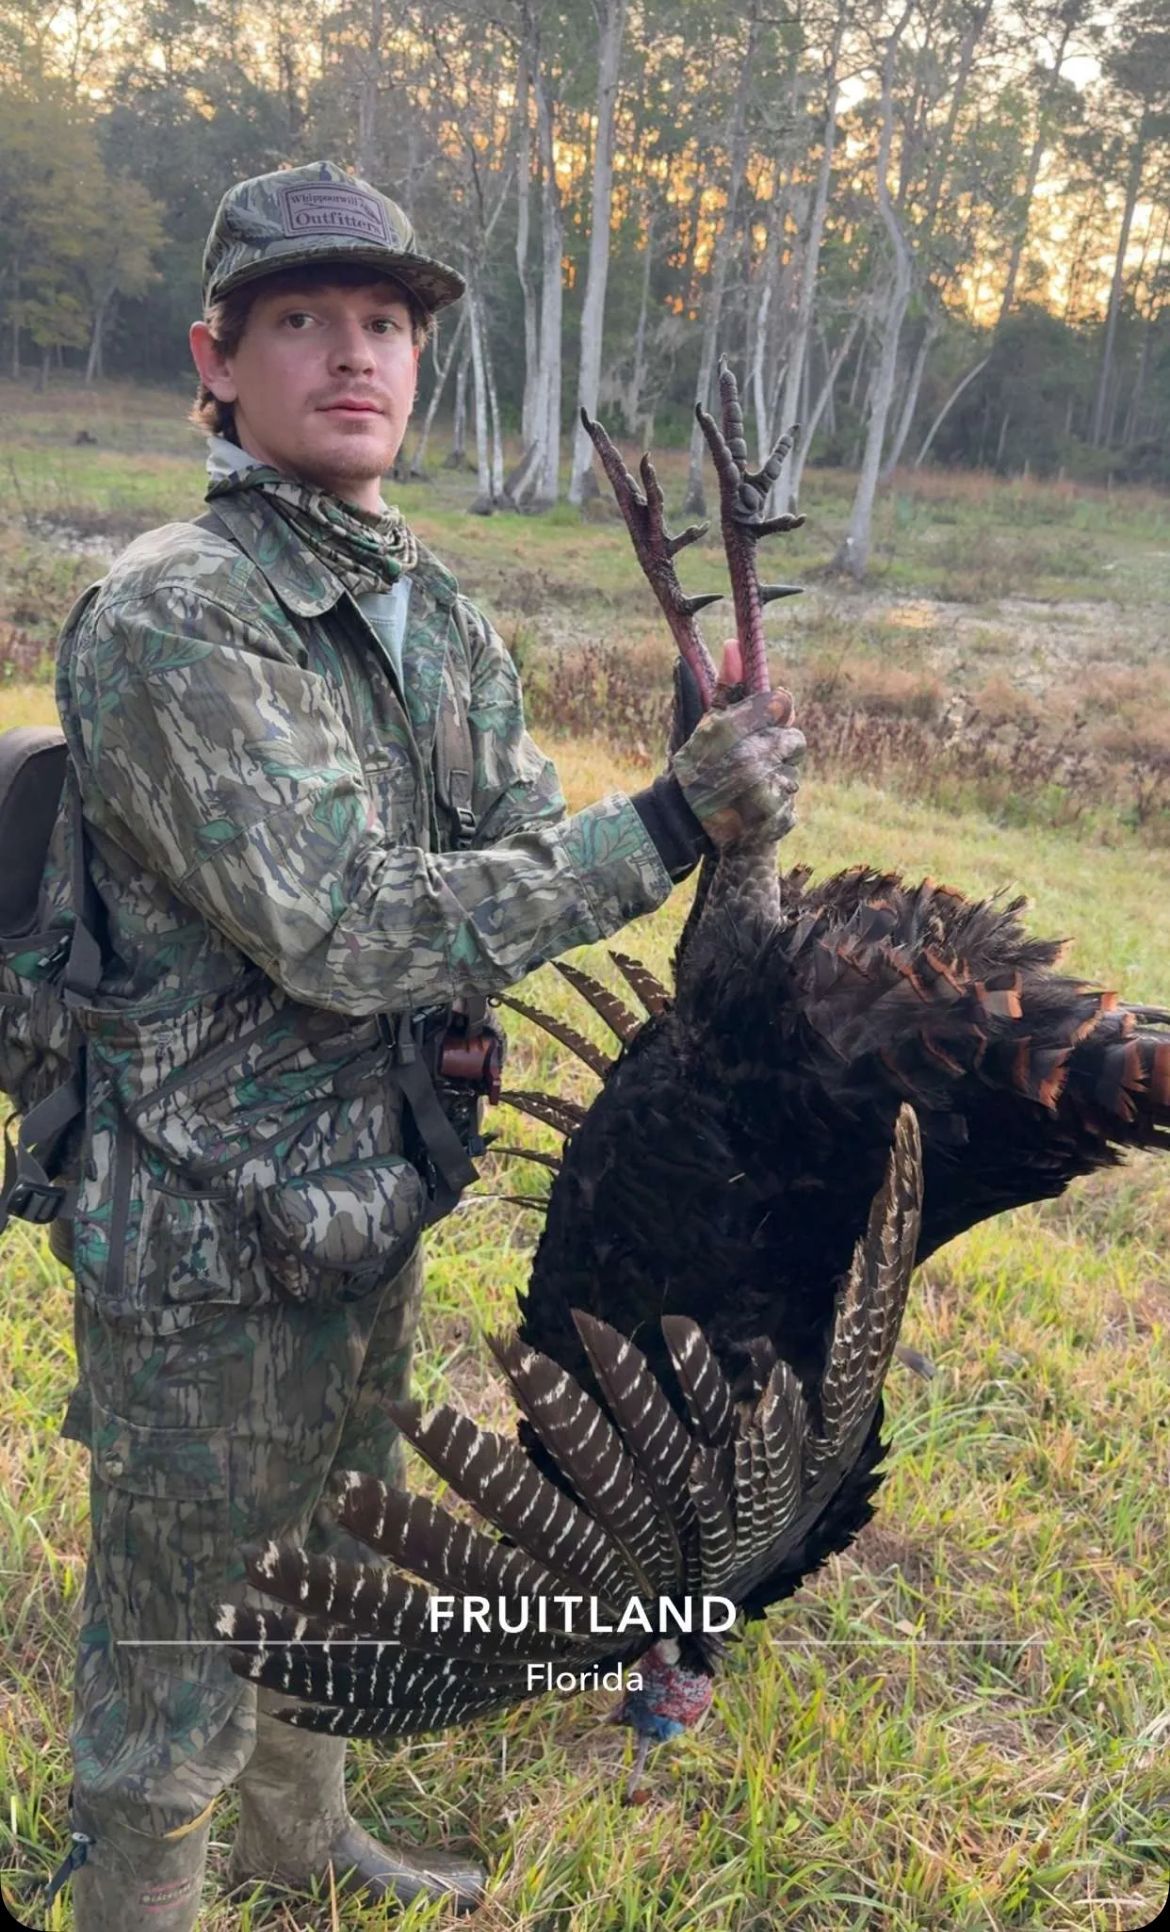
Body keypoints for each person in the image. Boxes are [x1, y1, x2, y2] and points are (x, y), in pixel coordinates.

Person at [44, 159, 806, 1928]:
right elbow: (347, 926)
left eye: (383, 320)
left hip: (364, 1199)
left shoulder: (429, 605)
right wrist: (663, 831)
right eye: (300, 319)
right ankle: (144, 1894)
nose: (352, 354)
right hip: (199, 1226)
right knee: (175, 1635)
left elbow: (516, 839)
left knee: (327, 1569)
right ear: (213, 362)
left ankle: (305, 1847)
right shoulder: (178, 615)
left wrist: (711, 805)